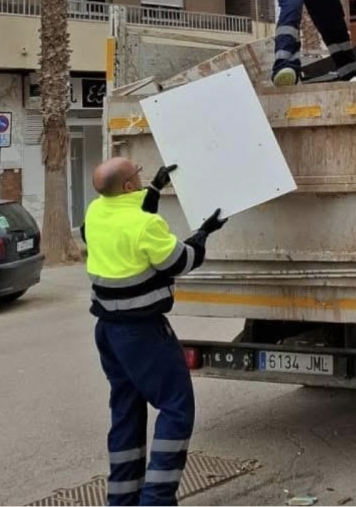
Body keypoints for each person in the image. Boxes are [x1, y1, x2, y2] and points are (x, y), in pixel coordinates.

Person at [82, 158, 228, 506]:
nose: (142, 174)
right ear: (129, 186)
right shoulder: (147, 227)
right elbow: (182, 260)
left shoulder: (95, 214)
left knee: (126, 410)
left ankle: (122, 499)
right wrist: (203, 234)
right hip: (142, 332)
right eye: (138, 174)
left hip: (108, 332)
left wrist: (155, 189)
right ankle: (157, 499)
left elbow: (130, 218)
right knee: (177, 408)